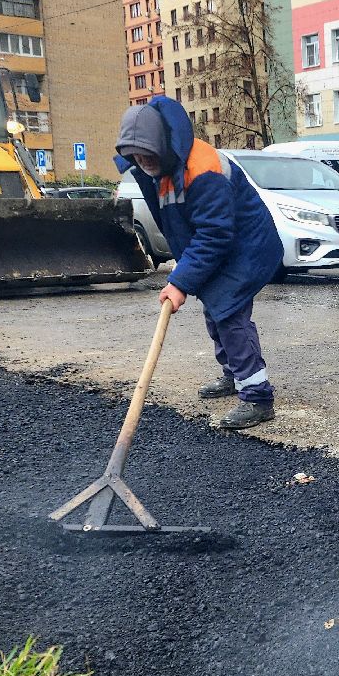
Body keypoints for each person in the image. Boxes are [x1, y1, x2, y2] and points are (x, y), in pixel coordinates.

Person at [115, 97, 284, 430]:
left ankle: (258, 397)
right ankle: (235, 375)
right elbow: (178, 223)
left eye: (147, 155)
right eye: (135, 156)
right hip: (220, 247)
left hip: (246, 247)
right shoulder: (157, 169)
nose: (142, 161)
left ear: (162, 145)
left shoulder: (203, 167)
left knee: (229, 314)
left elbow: (215, 233)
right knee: (215, 312)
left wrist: (180, 282)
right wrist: (187, 272)